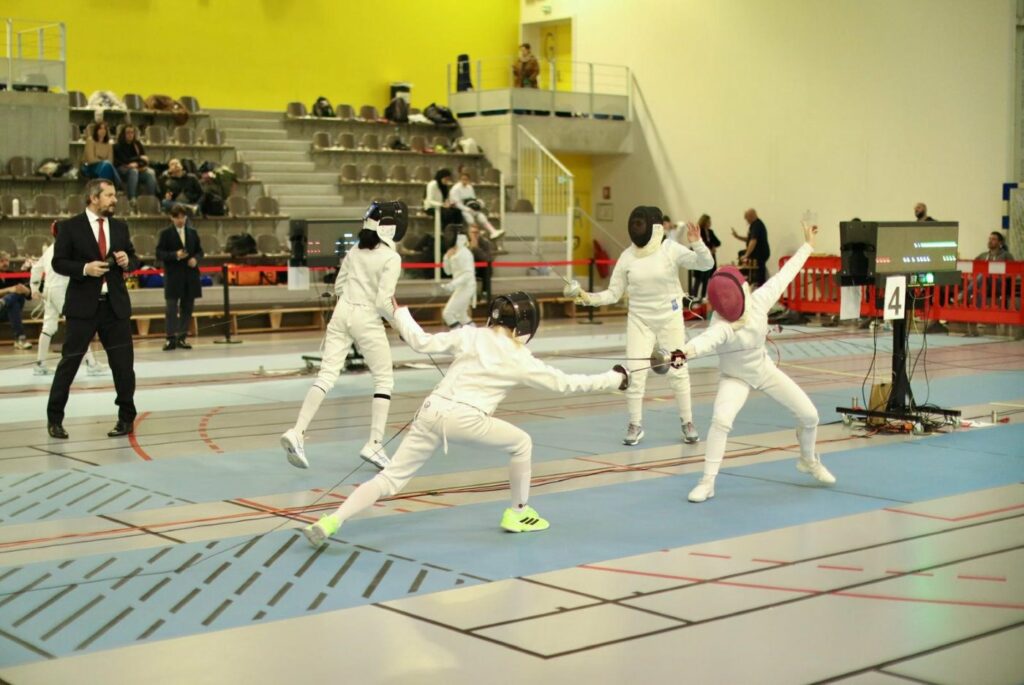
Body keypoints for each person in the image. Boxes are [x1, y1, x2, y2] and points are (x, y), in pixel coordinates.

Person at [301, 291, 631, 546]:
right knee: (521, 443)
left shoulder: (471, 334)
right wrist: (614, 379)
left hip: (429, 411)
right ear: (526, 325)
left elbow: (421, 342)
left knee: (389, 479)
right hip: (464, 419)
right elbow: (566, 384)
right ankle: (518, 513)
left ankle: (331, 521)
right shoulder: (520, 358)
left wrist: (400, 313)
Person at [680, 222, 836, 503]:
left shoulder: (760, 300)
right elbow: (704, 341)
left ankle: (808, 460)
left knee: (810, 416)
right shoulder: (721, 324)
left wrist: (808, 245)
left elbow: (786, 274)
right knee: (721, 421)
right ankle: (707, 482)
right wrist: (684, 353)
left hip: (763, 369)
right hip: (734, 378)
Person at [568, 206, 714, 446]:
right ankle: (635, 424)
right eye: (635, 223)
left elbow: (705, 264)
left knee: (678, 369)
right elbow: (613, 293)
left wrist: (697, 243)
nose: (637, 228)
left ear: (654, 227)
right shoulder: (627, 256)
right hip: (640, 321)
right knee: (635, 372)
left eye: (641, 224)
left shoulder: (669, 249)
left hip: (669, 318)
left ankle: (687, 422)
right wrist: (587, 297)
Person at [280, 201, 407, 471]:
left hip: (341, 313)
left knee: (326, 375)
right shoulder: (391, 258)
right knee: (384, 379)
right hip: (366, 318)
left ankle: (297, 432)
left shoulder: (354, 250)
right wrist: (402, 326)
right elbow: (384, 302)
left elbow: (339, 286)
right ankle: (374, 444)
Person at [46, 179, 140, 440]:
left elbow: (134, 258)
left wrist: (127, 261)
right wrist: (84, 269)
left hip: (115, 307)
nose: (114, 200)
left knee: (123, 366)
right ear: (93, 197)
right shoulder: (69, 227)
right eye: (109, 195)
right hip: (82, 307)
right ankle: (55, 419)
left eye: (114, 195)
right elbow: (58, 263)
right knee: (69, 364)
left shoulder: (120, 227)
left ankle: (126, 418)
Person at [30, 223, 106, 375]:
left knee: (48, 327)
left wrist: (34, 288)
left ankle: (40, 364)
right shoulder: (68, 248)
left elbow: (36, 268)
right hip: (61, 291)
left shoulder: (50, 249)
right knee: (78, 325)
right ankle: (91, 364)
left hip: (48, 291)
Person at [155, 205, 204, 350]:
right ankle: (170, 338)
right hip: (173, 275)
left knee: (187, 307)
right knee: (171, 307)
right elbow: (159, 253)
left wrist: (195, 259)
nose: (180, 220)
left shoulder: (193, 233)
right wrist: (175, 255)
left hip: (190, 275)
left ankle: (181, 337)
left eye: (183, 217)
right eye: (177, 217)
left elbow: (200, 251)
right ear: (172, 218)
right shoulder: (165, 234)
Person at [964, 232, 1015, 336]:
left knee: (985, 275)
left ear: (1000, 242)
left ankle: (964, 294)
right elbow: (972, 266)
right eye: (990, 239)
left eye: (994, 239)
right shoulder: (983, 255)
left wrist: (1002, 274)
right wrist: (970, 275)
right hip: (985, 284)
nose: (990, 241)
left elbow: (1014, 272)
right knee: (981, 283)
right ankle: (979, 317)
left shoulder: (1006, 255)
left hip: (999, 284)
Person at [449, 172, 504, 239]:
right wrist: (467, 209)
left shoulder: (469, 187)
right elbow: (457, 204)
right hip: (460, 210)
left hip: (470, 207)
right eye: (463, 179)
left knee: (481, 216)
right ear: (460, 179)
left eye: (466, 179)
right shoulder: (455, 189)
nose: (465, 181)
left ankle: (493, 231)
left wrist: (478, 203)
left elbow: (473, 199)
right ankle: (476, 234)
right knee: (470, 219)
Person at [113, 125, 158, 206]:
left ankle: (151, 199)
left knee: (150, 173)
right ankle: (132, 199)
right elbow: (124, 160)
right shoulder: (118, 146)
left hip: (137, 169)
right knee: (133, 171)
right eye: (128, 132)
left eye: (132, 132)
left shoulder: (137, 144)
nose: (130, 134)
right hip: (122, 169)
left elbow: (145, 160)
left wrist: (137, 164)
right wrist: (138, 158)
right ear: (123, 134)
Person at [441, 224, 476, 328]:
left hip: (467, 287)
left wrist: (453, 285)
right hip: (460, 287)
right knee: (461, 316)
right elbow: (448, 272)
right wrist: (447, 258)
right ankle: (475, 334)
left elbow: (468, 274)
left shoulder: (465, 253)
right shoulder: (453, 253)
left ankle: (458, 335)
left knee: (447, 314)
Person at [0, 251, 33, 350]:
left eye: (7, 261)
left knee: (17, 297)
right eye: (2, 261)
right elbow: (12, 289)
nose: (5, 263)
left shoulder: (12, 275)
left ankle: (3, 302)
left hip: (7, 312)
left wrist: (25, 290)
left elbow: (29, 296)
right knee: (14, 303)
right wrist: (9, 289)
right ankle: (20, 340)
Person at [731, 209, 770, 287]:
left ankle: (757, 284)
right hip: (757, 252)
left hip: (760, 253)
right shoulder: (753, 225)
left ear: (751, 216)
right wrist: (737, 236)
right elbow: (749, 239)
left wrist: (746, 255)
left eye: (747, 218)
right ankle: (745, 279)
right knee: (741, 253)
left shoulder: (757, 225)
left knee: (759, 272)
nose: (746, 221)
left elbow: (753, 241)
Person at [81, 122, 122, 187]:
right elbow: (91, 160)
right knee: (106, 165)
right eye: (100, 128)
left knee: (106, 167)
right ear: (96, 130)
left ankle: (103, 189)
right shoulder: (90, 140)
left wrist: (100, 159)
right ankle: (117, 184)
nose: (103, 131)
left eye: (104, 129)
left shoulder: (109, 144)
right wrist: (103, 160)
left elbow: (110, 161)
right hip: (89, 167)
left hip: (104, 167)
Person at [690, 214, 721, 301]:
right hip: (701, 258)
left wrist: (713, 246)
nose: (710, 223)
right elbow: (700, 243)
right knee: (698, 279)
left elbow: (718, 242)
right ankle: (692, 298)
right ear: (704, 222)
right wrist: (709, 248)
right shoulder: (699, 231)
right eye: (708, 221)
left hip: (709, 259)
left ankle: (702, 298)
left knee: (706, 279)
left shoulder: (710, 232)